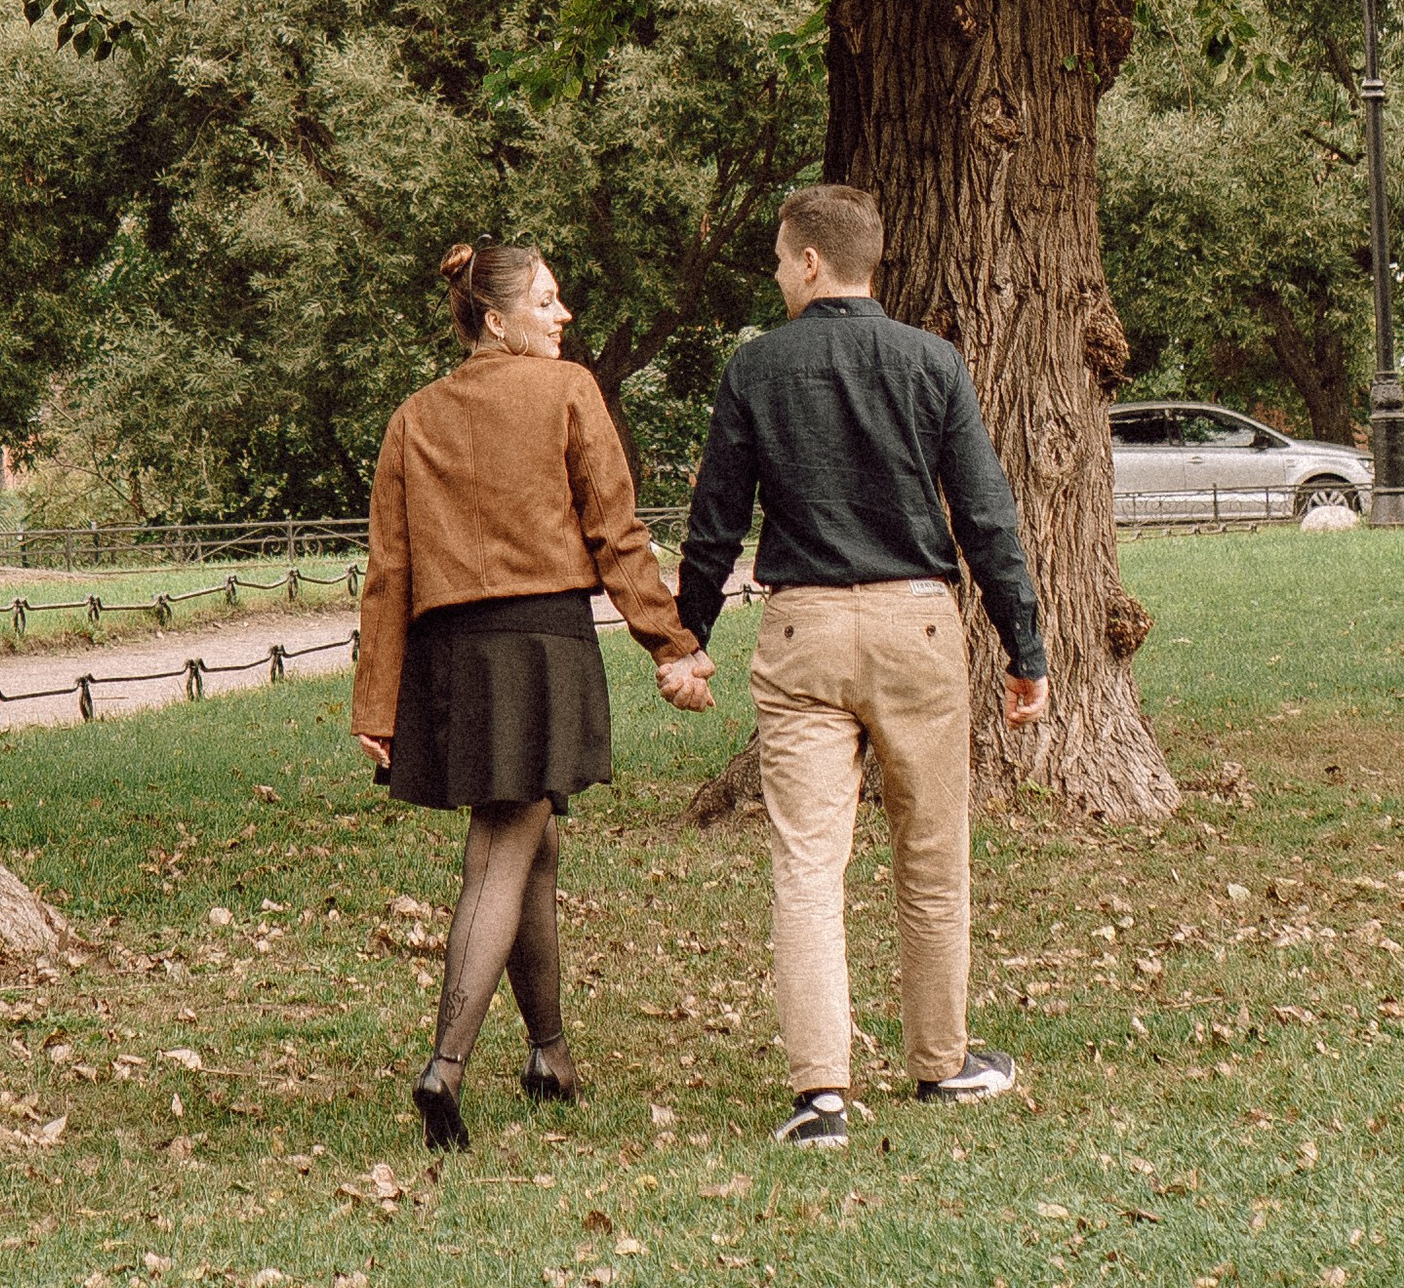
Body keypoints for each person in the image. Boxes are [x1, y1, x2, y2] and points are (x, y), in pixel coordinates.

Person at [674, 182, 1047, 1152]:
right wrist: (1024, 647)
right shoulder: (931, 362)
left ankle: (820, 1100)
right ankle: (940, 1061)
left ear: (809, 262)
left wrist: (688, 638)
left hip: (801, 633)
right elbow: (985, 515)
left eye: (775, 255)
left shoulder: (756, 371)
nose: (772, 270)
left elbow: (714, 521)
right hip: (917, 628)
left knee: (806, 866)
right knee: (931, 857)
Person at [355, 237, 714, 1150]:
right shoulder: (567, 390)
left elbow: (387, 572)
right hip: (541, 647)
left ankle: (549, 1052)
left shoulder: (414, 416)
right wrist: (671, 643)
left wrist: (377, 701)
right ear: (497, 318)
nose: (563, 318)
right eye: (548, 301)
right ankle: (445, 1065)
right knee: (501, 852)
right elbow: (617, 534)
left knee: (533, 839)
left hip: (452, 655)